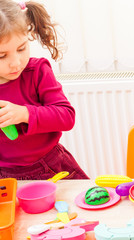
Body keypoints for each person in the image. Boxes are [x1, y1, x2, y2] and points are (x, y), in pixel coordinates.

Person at [0, 0, 89, 180]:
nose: (16, 62)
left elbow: (66, 116)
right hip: (7, 176)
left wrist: (25, 114)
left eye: (21, 48)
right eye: (2, 55)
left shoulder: (38, 72)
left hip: (51, 166)